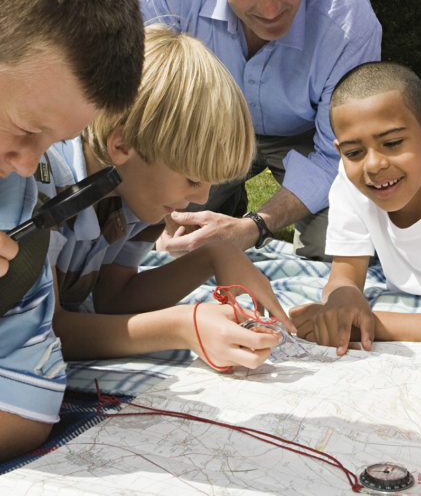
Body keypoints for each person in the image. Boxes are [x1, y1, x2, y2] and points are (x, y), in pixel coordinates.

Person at [138, 0, 382, 261]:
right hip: (205, 123)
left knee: (339, 247)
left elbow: (340, 149)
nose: (270, 9)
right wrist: (163, 207)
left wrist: (256, 225)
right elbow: (141, 101)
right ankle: (220, 203)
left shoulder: (347, 13)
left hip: (310, 137)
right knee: (168, 243)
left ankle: (235, 216)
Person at [41, 24, 292, 369]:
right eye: (191, 179)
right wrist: (180, 326)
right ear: (123, 144)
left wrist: (213, 257)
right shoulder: (45, 184)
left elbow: (114, 300)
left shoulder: (136, 193)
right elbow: (49, 333)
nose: (203, 197)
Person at [0, 0, 144, 461]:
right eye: (24, 129)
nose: (23, 164)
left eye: (51, 142)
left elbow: (24, 411)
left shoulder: (19, 198)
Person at [290, 61, 421, 355]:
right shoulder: (351, 182)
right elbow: (345, 272)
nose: (374, 164)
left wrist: (371, 324)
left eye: (392, 143)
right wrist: (344, 298)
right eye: (354, 153)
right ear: (341, 153)